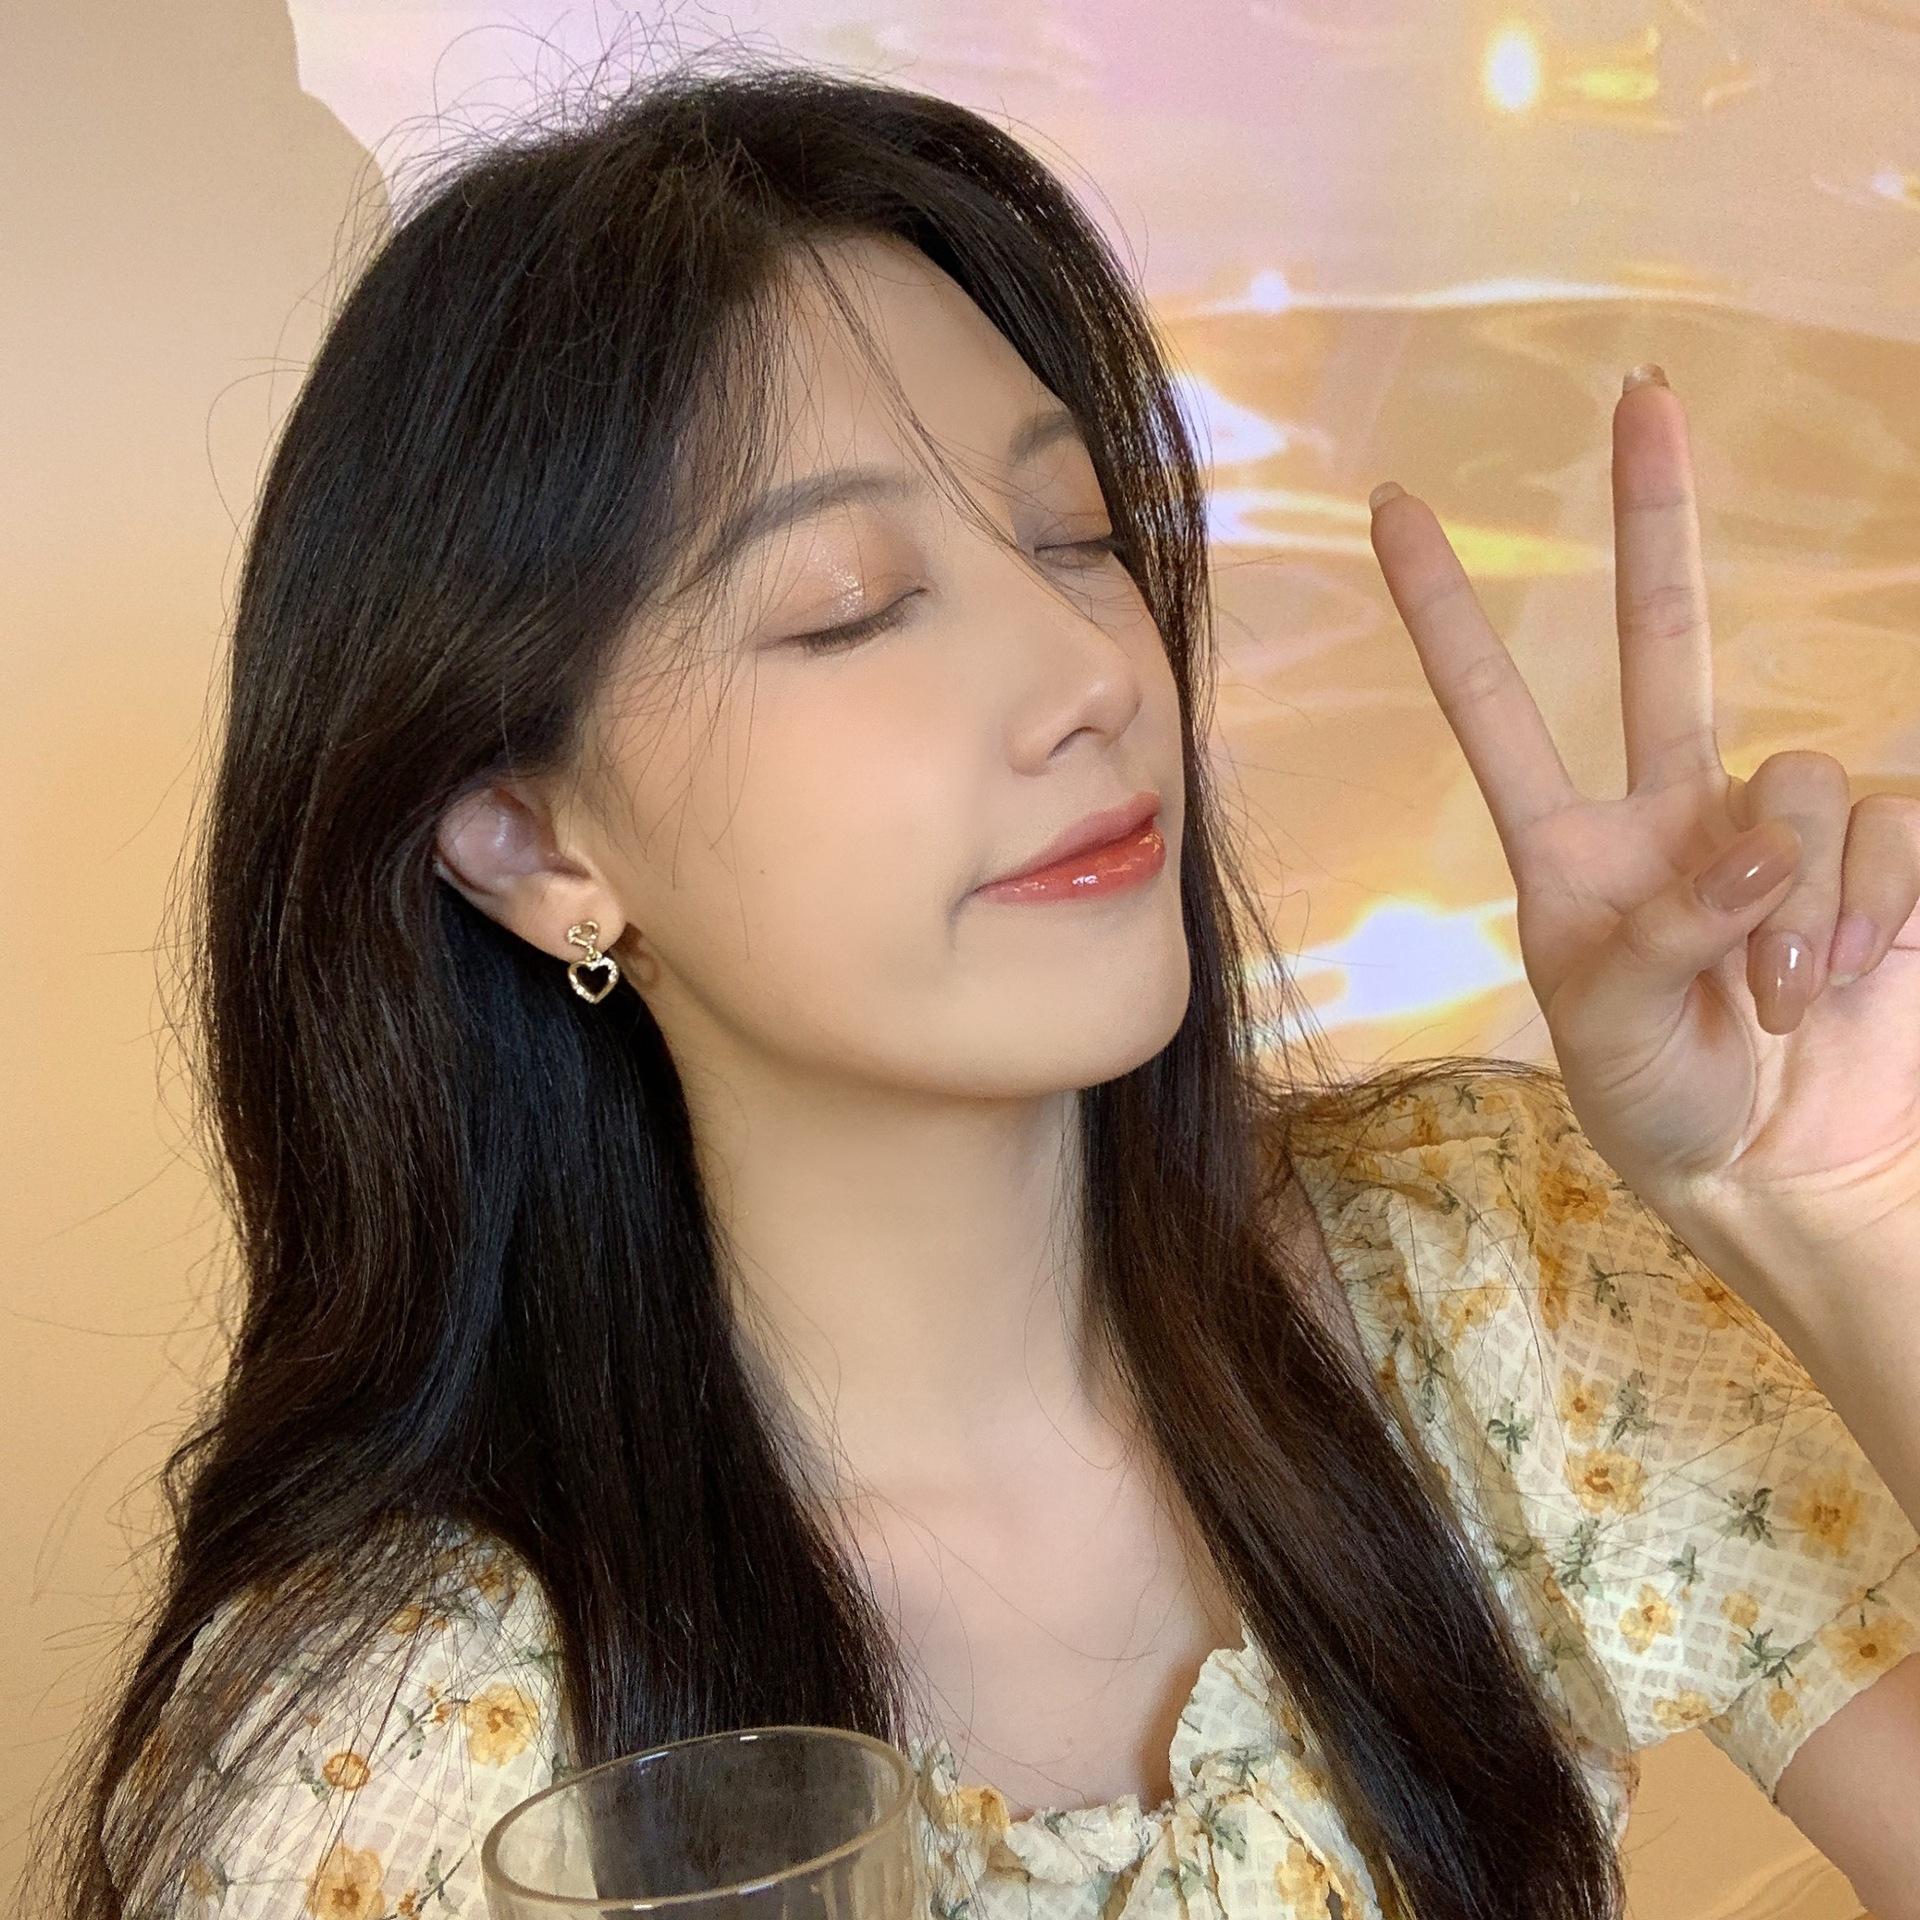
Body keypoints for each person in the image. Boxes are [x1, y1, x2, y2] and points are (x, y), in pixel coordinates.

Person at [40, 53, 1920, 1920]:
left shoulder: (1474, 1282)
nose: (1087, 673)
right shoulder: (406, 1755)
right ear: (533, 847)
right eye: (851, 607)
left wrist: (1846, 1210)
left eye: (1076, 535)